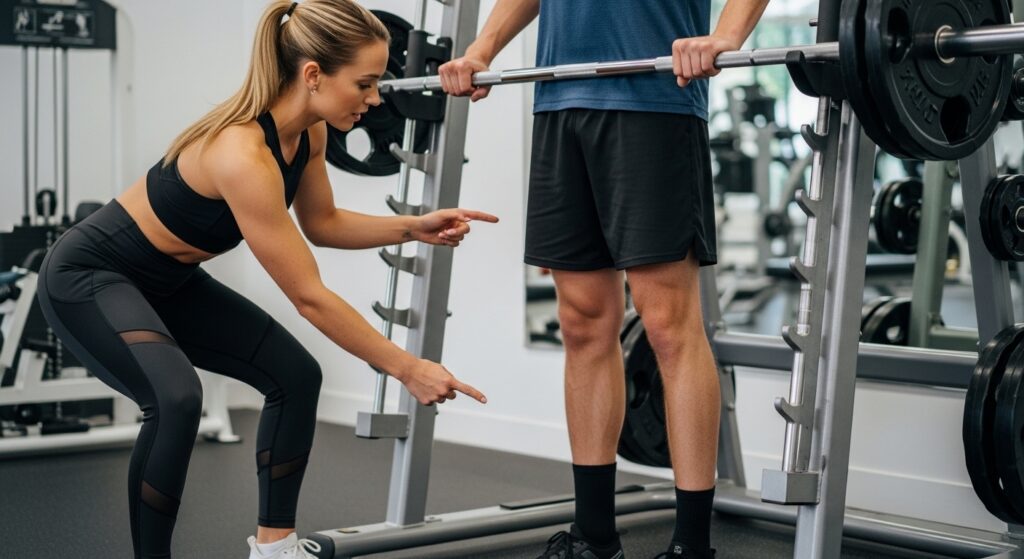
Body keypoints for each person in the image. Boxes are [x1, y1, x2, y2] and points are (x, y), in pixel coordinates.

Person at [36, 1, 496, 558]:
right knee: (177, 399)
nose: (376, 99)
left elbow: (322, 224)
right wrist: (407, 368)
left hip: (168, 279)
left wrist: (414, 226)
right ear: (312, 75)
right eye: (367, 83)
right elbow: (308, 296)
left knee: (295, 376)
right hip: (90, 276)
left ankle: (274, 550)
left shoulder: (309, 134)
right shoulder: (241, 153)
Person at [439, 1, 767, 557]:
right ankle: (594, 539)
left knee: (667, 326)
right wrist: (481, 48)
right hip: (558, 97)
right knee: (582, 323)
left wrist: (726, 34)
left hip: (655, 93)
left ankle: (692, 547)